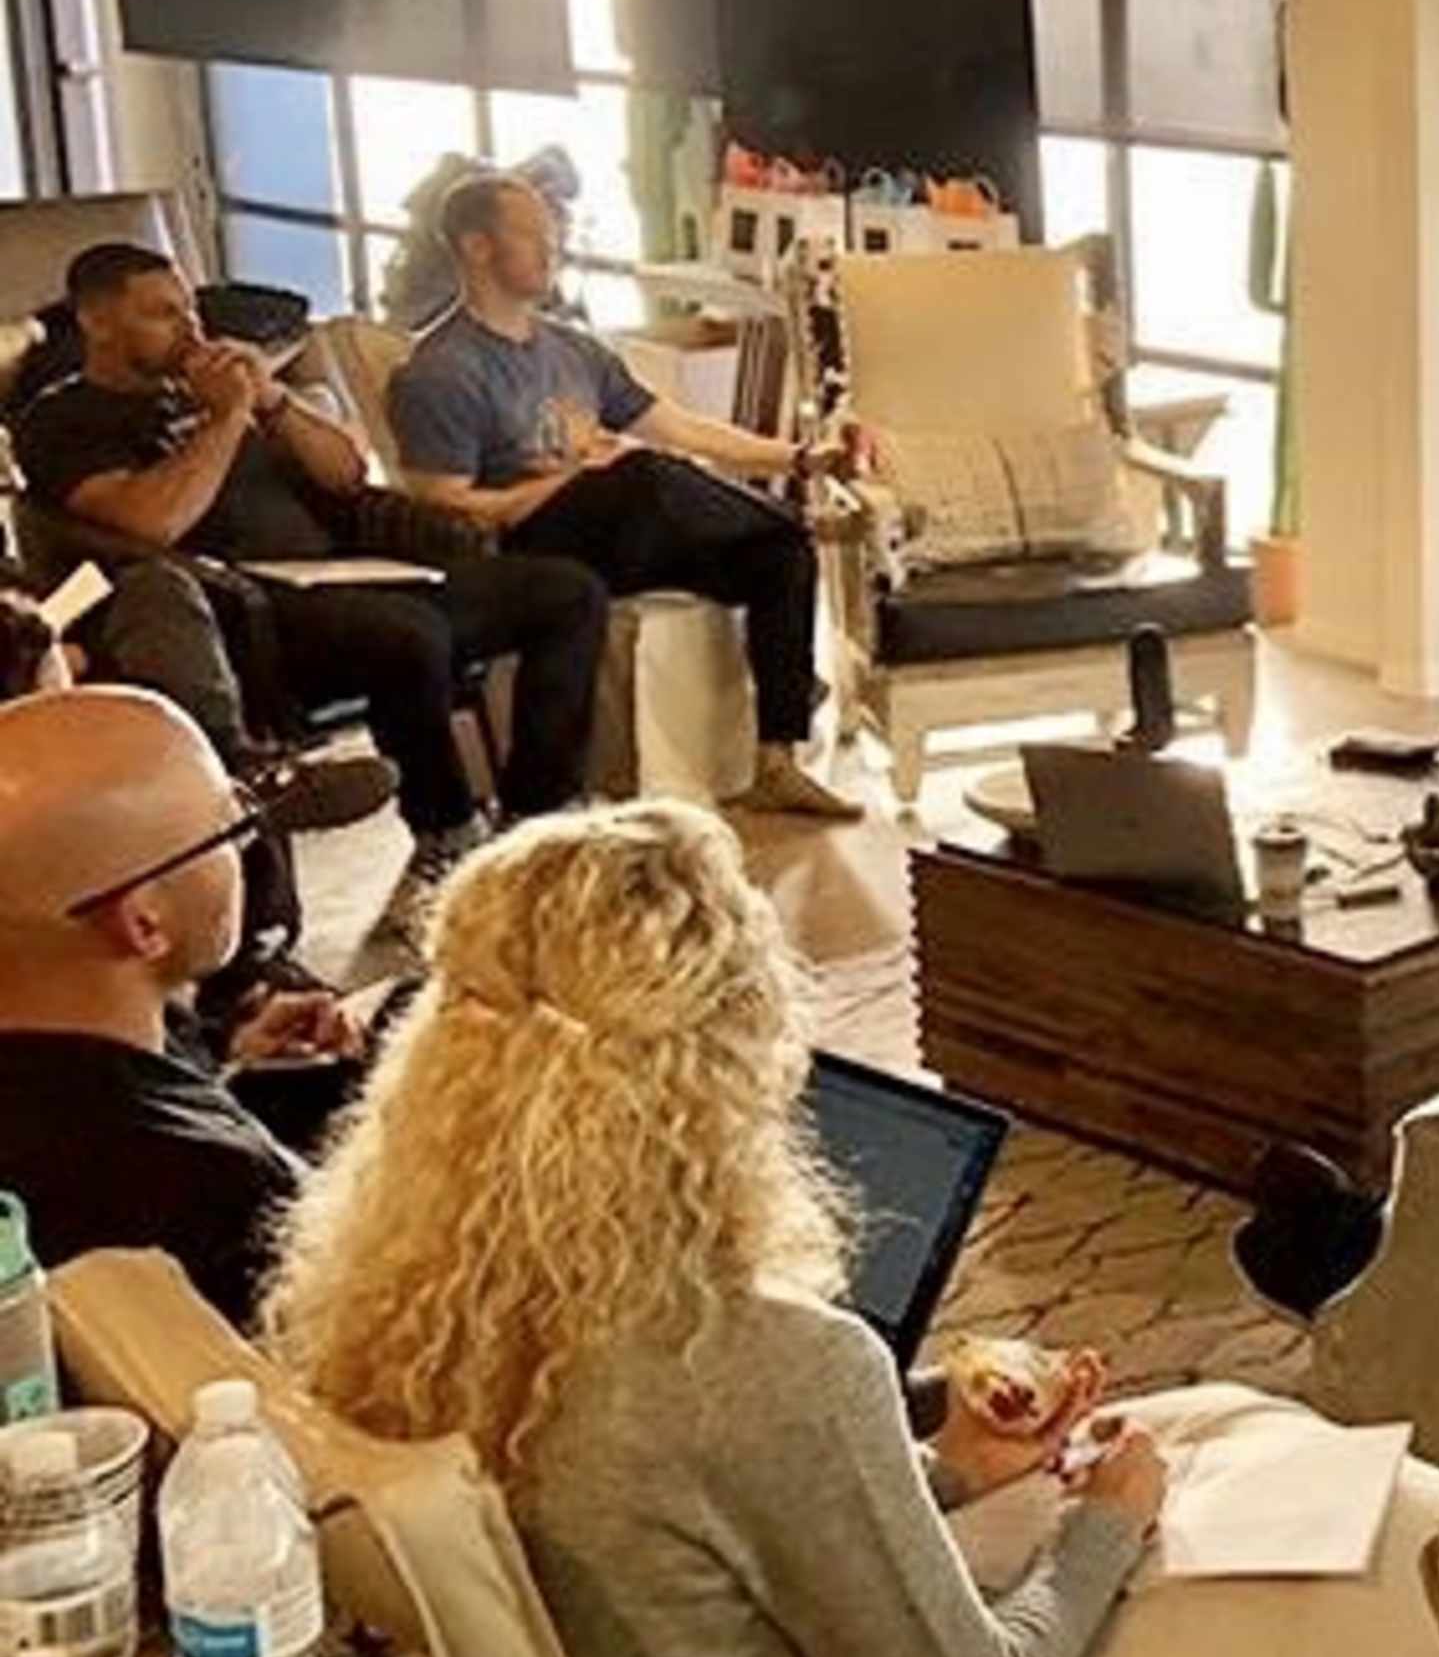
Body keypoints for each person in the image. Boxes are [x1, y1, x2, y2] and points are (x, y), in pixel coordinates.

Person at [257, 802, 1397, 1657]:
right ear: (732, 1047)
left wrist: (950, 1466)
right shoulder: (766, 1357)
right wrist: (1112, 1518)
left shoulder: (387, 1311)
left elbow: (675, 1550)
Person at [12, 243, 606, 898]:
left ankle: (539, 813)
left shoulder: (229, 386)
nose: (191, 329)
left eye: (190, 309)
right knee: (408, 635)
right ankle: (447, 835)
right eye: (162, 314)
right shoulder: (63, 419)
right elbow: (150, 523)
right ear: (97, 321)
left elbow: (347, 476)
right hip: (244, 609)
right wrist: (226, 418)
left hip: (353, 573)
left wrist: (273, 403)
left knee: (566, 591)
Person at [389, 173, 859, 821]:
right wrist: (570, 482)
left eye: (552, 234)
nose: (551, 249)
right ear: (477, 247)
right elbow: (445, 506)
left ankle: (776, 757)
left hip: (622, 527)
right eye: (531, 235)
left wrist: (800, 458)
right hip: (530, 540)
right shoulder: (441, 369)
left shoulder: (572, 348)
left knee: (780, 549)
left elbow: (682, 427)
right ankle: (812, 527)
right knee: (640, 474)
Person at [0, 686, 358, 1322]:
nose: (243, 852)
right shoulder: (218, 1195)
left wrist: (225, 1073)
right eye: (229, 828)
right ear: (144, 924)